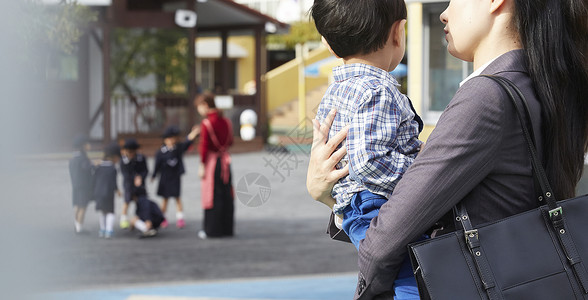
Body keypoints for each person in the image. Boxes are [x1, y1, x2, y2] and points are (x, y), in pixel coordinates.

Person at [306, 0, 588, 299]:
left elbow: (387, 236)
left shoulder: (486, 97)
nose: (443, 12)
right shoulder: (537, 84)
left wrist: (332, 198)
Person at [310, 0, 423, 297]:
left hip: (354, 207)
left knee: (393, 276)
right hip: (376, 205)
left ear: (328, 44)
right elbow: (369, 161)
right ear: (398, 33)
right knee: (414, 280)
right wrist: (424, 168)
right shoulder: (377, 89)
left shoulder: (334, 92)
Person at [196, 92, 234, 239]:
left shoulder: (206, 123)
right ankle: (227, 229)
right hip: (226, 161)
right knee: (226, 194)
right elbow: (230, 141)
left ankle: (212, 230)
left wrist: (202, 165)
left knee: (212, 196)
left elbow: (204, 146)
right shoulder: (226, 122)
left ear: (205, 105)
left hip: (212, 163)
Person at [151, 125, 200, 229]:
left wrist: (194, 133)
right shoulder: (160, 152)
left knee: (177, 198)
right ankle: (162, 218)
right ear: (165, 140)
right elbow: (157, 165)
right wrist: (154, 175)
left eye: (173, 138)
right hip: (164, 178)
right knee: (165, 199)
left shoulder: (178, 148)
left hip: (175, 177)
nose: (171, 140)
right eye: (169, 138)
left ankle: (180, 218)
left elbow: (187, 142)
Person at [93, 143, 121, 239]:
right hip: (108, 192)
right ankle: (109, 230)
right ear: (114, 157)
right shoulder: (112, 168)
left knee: (103, 211)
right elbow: (113, 182)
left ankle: (102, 229)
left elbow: (94, 179)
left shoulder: (99, 167)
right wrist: (117, 190)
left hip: (98, 192)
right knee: (110, 212)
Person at [119, 138, 149, 229]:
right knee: (127, 201)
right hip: (128, 184)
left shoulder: (141, 158)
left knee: (141, 202)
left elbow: (145, 170)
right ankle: (123, 219)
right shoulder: (123, 161)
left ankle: (139, 219)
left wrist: (140, 177)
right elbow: (125, 174)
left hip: (140, 185)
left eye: (133, 152)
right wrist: (134, 178)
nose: (131, 154)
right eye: (129, 152)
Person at [69, 135, 93, 233]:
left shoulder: (74, 157)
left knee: (77, 205)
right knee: (83, 206)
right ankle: (79, 227)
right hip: (84, 185)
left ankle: (76, 224)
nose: (89, 145)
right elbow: (86, 168)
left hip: (75, 184)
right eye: (87, 144)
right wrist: (94, 165)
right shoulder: (83, 158)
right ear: (83, 146)